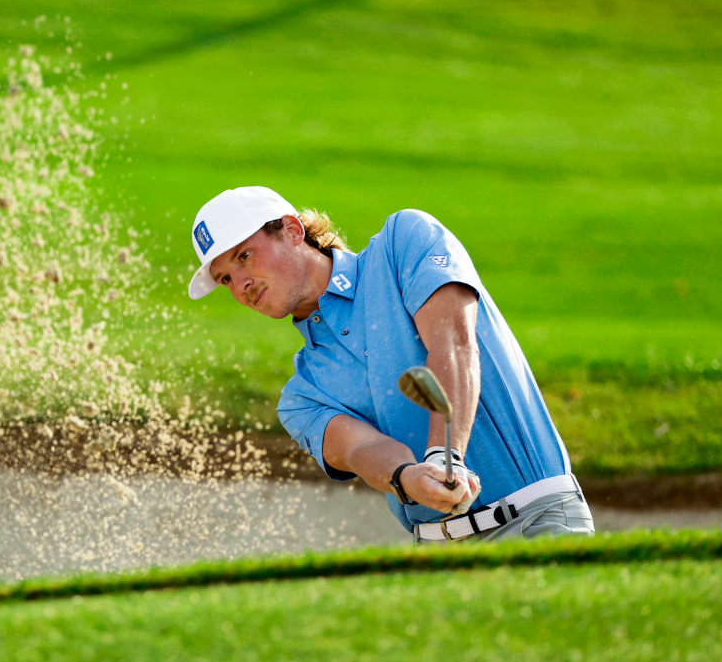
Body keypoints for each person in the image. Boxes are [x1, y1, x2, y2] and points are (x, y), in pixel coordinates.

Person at [186, 186, 595, 542]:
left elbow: (453, 340)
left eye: (244, 256)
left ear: (293, 231)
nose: (240, 285)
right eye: (225, 279)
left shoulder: (404, 242)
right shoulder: (301, 396)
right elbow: (362, 448)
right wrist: (406, 477)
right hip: (438, 553)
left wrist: (445, 455)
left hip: (537, 519)